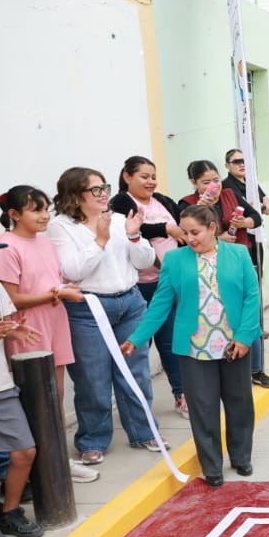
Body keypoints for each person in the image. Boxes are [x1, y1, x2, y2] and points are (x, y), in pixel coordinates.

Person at [120, 206, 260, 488]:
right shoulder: (174, 259)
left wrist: (245, 337)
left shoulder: (238, 254)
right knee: (202, 407)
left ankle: (241, 456)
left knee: (240, 404)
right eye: (185, 232)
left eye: (195, 232)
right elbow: (159, 305)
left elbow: (251, 297)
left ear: (212, 228)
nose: (190, 238)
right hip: (194, 347)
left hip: (234, 344)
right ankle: (212, 466)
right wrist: (136, 338)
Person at [47, 167, 164, 465]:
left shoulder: (118, 220)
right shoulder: (61, 227)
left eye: (105, 188)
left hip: (130, 303)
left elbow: (144, 261)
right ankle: (93, 440)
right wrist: (98, 240)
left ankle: (143, 431)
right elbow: (72, 271)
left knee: (134, 372)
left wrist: (135, 236)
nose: (104, 195)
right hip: (88, 309)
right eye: (96, 190)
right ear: (75, 196)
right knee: (92, 378)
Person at [0, 187, 97, 483]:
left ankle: (58, 460)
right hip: (28, 327)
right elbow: (10, 299)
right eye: (35, 210)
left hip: (55, 319)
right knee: (34, 398)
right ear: (14, 215)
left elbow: (53, 282)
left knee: (56, 395)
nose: (43, 216)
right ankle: (31, 467)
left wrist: (63, 291)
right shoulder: (7, 247)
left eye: (45, 209)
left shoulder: (46, 243)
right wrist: (56, 293)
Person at [107, 156, 189, 417]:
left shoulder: (163, 201)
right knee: (139, 346)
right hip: (137, 287)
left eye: (153, 176)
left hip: (167, 284)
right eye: (144, 176)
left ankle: (182, 395)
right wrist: (165, 228)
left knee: (171, 341)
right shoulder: (120, 203)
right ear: (127, 177)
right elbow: (129, 231)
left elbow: (183, 226)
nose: (151, 181)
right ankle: (136, 409)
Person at [181, 160, 269, 388]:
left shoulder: (230, 194)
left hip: (236, 262)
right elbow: (185, 237)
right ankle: (221, 368)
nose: (213, 186)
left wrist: (245, 221)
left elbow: (257, 217)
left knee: (248, 314)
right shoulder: (187, 204)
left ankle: (256, 369)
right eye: (206, 182)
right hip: (205, 268)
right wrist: (217, 238)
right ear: (194, 183)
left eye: (216, 180)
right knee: (218, 317)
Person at [0, 248, 44, 537]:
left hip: (0, 384)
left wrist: (13, 331)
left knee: (24, 452)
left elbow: (3, 323)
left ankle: (9, 511)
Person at [221, 149, 269, 390]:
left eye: (245, 161)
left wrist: (254, 214)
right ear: (227, 165)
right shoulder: (227, 189)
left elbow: (267, 208)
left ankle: (255, 365)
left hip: (252, 245)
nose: (242, 165)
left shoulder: (252, 184)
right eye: (236, 161)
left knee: (252, 300)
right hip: (233, 251)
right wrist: (253, 214)